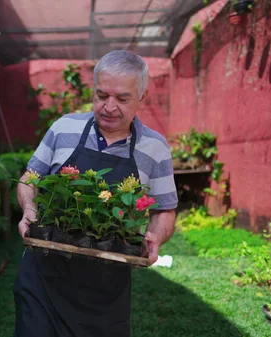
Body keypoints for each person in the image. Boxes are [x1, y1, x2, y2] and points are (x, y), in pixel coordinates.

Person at [13, 50, 178, 337]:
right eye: (101, 95)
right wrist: (29, 208)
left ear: (142, 96)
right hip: (43, 279)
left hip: (105, 292)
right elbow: (30, 179)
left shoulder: (155, 148)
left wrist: (155, 236)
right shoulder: (64, 128)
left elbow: (164, 209)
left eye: (122, 98)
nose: (108, 107)